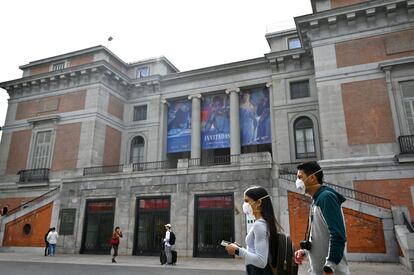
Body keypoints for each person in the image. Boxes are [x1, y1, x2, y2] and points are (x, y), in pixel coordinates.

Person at [294, 161, 350, 275]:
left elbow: (338, 235)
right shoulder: (316, 199)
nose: (297, 181)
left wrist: (330, 266)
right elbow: (318, 234)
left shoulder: (326, 198)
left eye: (300, 177)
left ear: (312, 178)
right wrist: (305, 251)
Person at [225, 186, 279, 275]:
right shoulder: (262, 223)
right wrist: (239, 248)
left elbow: (261, 261)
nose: (244, 204)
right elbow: (254, 251)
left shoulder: (259, 225)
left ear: (258, 202)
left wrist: (237, 250)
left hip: (258, 271)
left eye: (247, 201)